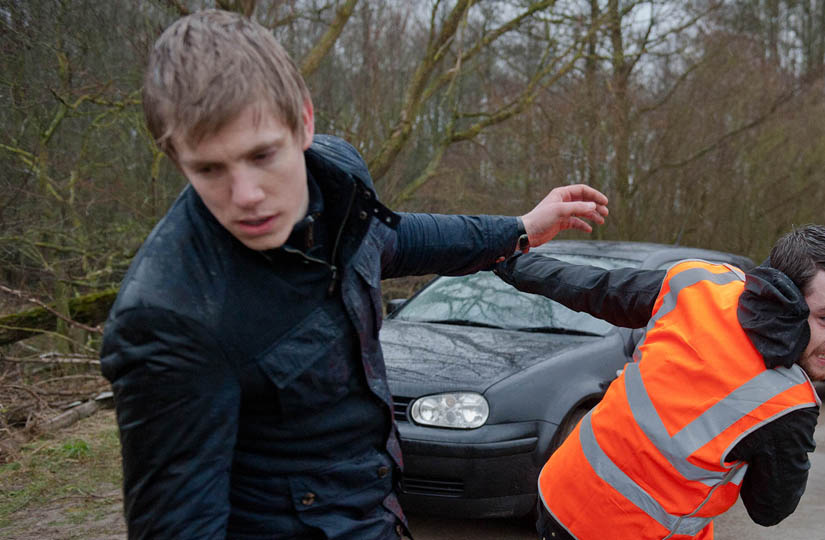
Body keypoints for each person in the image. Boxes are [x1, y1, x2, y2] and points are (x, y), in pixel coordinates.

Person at [98, 9, 608, 540]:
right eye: (209, 169)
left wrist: (520, 228)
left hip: (377, 513)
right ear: (176, 159)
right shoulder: (167, 318)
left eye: (262, 155)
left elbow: (393, 238)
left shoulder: (338, 181)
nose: (246, 196)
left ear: (305, 121)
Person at [494, 225, 825, 540]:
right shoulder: (787, 404)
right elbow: (771, 510)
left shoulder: (701, 284)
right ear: (781, 297)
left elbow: (595, 287)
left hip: (559, 492)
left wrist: (506, 260)